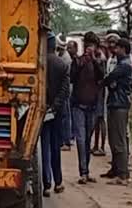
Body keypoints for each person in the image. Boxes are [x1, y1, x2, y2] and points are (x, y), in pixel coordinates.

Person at [71, 32, 105, 184]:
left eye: (93, 45)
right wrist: (83, 61)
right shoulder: (77, 61)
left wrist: (95, 61)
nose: (90, 48)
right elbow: (72, 77)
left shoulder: (98, 62)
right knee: (80, 139)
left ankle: (86, 170)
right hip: (78, 105)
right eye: (88, 45)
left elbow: (102, 77)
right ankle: (83, 172)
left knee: (87, 139)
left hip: (92, 106)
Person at [41, 32, 70, 197]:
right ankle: (58, 182)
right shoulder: (62, 64)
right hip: (56, 113)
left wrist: (46, 107)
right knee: (55, 147)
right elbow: (65, 90)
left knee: (44, 147)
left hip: (42, 112)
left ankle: (46, 184)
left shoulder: (39, 64)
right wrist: (55, 107)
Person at [102, 38, 132, 185]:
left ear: (124, 49)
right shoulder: (122, 64)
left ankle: (123, 174)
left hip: (119, 104)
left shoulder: (125, 65)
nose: (115, 51)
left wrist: (108, 81)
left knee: (119, 140)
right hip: (116, 103)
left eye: (118, 48)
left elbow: (109, 78)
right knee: (114, 138)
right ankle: (116, 169)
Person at [56, 38, 73, 151]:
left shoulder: (65, 59)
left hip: (65, 91)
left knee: (65, 116)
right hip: (66, 89)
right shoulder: (63, 57)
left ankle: (66, 140)